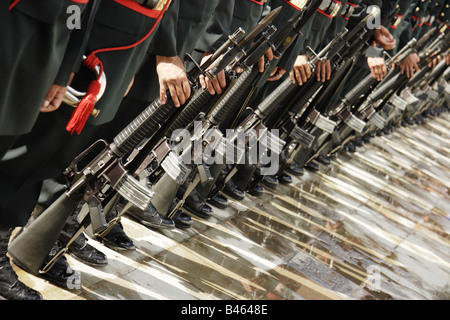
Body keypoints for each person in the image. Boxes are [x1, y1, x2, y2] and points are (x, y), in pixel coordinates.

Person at [0, 0, 173, 296]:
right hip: (34, 25)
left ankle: (37, 234)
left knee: (57, 158)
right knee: (24, 157)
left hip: (110, 40)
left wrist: (133, 56)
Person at [0, 0, 102, 300]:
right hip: (11, 25)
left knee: (18, 157)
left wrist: (63, 71)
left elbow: (78, 10)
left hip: (45, 49)